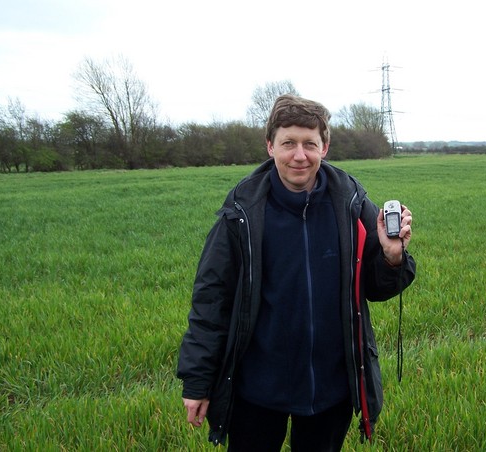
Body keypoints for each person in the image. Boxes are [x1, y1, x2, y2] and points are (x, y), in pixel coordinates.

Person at [177, 94, 416, 451]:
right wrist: (197, 381)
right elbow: (211, 300)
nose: (299, 155)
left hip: (330, 390)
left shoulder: (351, 205)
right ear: (270, 146)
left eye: (310, 144)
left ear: (325, 147)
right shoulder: (242, 213)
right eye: (288, 143)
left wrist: (392, 256)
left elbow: (376, 287)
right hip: (256, 391)